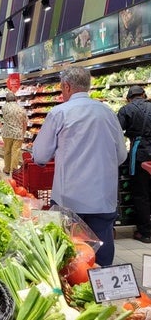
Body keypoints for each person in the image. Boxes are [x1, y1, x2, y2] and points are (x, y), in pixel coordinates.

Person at [32, 66, 127, 266]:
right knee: (102, 249)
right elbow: (121, 155)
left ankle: (72, 293)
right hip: (103, 198)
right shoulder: (107, 112)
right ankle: (103, 291)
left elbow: (40, 155)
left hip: (69, 199)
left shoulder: (59, 113)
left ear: (66, 86)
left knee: (70, 254)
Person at [117, 85, 151, 243]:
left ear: (128, 98)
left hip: (140, 154)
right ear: (144, 95)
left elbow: (116, 132)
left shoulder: (126, 110)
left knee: (141, 194)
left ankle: (145, 232)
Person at [0, 92, 27, 174]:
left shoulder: (4, 107)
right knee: (15, 152)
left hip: (7, 133)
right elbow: (24, 122)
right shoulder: (21, 108)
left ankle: (6, 169)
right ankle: (14, 170)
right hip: (17, 133)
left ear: (6, 99)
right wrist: (23, 133)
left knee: (7, 151)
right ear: (15, 99)